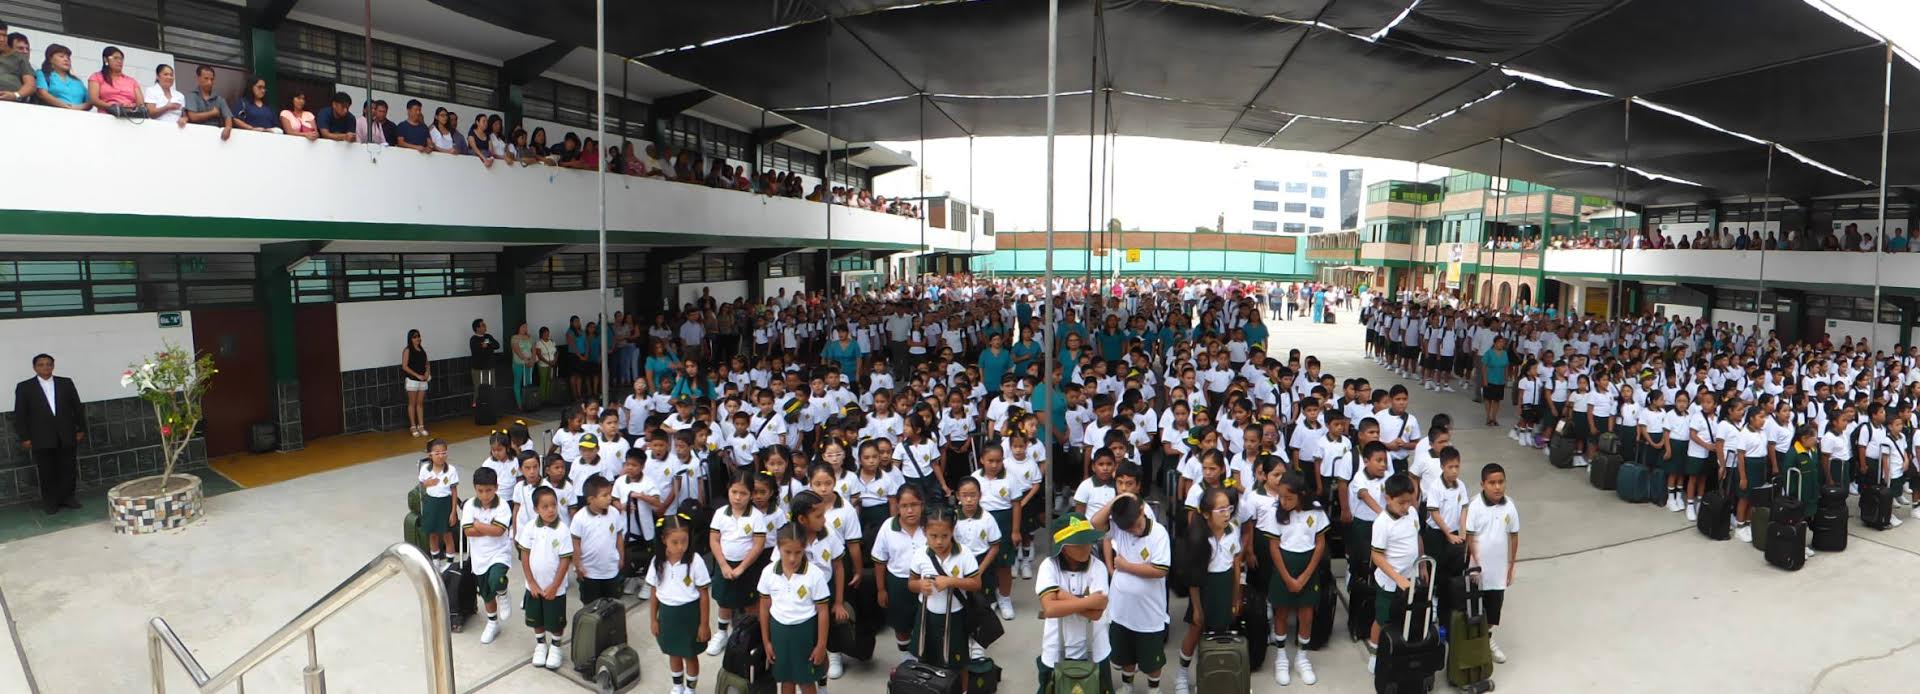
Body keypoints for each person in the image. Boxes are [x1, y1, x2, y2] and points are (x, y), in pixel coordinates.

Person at [1089, 494, 1169, 694]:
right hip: (1121, 609)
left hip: (1149, 613)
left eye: (1135, 525)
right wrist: (1119, 499)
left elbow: (1160, 570)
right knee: (1125, 655)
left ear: (1142, 510)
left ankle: (1154, 690)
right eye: (1128, 528)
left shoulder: (1159, 533)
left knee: (1151, 660)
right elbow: (1095, 522)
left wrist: (1126, 566)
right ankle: (1127, 686)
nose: (1133, 530)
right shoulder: (1119, 526)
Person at [1036, 513, 1113, 692]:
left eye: (1088, 541)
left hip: (1096, 649)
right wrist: (1088, 601)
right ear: (1063, 547)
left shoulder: (1098, 567)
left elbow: (1096, 613)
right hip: (1055, 650)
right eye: (1080, 543)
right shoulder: (1048, 566)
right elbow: (1049, 609)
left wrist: (1061, 596)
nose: (1087, 547)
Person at [758, 523, 831, 694]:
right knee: (786, 681)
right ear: (778, 548)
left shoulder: (815, 574)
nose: (792, 558)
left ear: (804, 548)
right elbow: (763, 608)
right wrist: (766, 641)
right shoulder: (768, 573)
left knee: (806, 682)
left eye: (798, 552)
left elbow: (823, 611)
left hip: (804, 632)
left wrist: (821, 644)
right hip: (779, 632)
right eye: (787, 552)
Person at [12, 354, 84, 515]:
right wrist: (24, 437)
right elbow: (20, 414)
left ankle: (68, 498)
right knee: (47, 471)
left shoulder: (65, 383)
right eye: (41, 365)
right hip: (41, 436)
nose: (45, 367)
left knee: (68, 468)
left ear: (53, 366)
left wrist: (80, 429)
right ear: (35, 368)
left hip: (66, 434)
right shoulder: (25, 387)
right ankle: (51, 502)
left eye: (48, 364)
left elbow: (77, 407)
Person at [649, 514, 712, 694]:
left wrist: (704, 624)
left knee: (690, 654)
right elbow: (654, 593)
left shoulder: (695, 561)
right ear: (663, 540)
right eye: (675, 542)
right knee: (673, 653)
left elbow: (704, 594)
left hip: (689, 616)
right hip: (668, 616)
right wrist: (653, 619)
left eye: (684, 541)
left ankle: (691, 689)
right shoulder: (657, 562)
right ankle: (678, 686)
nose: (680, 547)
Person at [1463, 463, 1517, 664]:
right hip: (1478, 571)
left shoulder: (1509, 505)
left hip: (1498, 571)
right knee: (1475, 610)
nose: (1497, 487)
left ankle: (1486, 639)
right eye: (1492, 483)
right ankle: (1475, 646)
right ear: (1482, 484)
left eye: (1501, 482)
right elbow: (1470, 537)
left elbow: (1514, 535)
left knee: (1493, 612)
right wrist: (1475, 564)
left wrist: (1511, 566)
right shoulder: (1475, 505)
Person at [519, 486, 574, 671]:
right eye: (545, 506)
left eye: (553, 505)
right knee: (537, 618)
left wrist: (555, 586)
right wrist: (531, 583)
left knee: (555, 621)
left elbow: (565, 560)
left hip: (554, 588)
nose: (551, 510)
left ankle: (556, 646)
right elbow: (525, 556)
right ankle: (541, 644)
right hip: (534, 587)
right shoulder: (529, 528)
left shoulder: (563, 530)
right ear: (536, 509)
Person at [461, 466, 514, 645]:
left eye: (489, 490)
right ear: (475, 489)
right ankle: (493, 623)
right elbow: (467, 531)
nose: (485, 495)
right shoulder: (469, 505)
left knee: (497, 579)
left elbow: (499, 531)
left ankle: (504, 594)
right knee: (486, 594)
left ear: (496, 487)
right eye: (480, 491)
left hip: (499, 553)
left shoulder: (503, 506)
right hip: (479, 556)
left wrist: (478, 525)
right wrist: (488, 528)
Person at [570, 476, 625, 603]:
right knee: (591, 608)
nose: (609, 498)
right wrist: (578, 565)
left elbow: (619, 537)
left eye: (610, 494)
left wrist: (621, 557)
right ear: (591, 499)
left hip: (610, 570)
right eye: (604, 495)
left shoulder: (614, 513)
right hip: (589, 573)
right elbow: (575, 544)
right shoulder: (580, 518)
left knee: (611, 607)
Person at [417, 438, 461, 570]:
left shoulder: (451, 470)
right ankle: (435, 560)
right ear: (430, 455)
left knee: (447, 534)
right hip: (431, 503)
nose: (441, 456)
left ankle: (449, 562)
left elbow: (453, 491)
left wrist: (453, 511)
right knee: (433, 534)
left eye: (444, 452)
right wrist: (426, 484)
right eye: (437, 453)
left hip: (445, 503)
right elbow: (422, 485)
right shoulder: (425, 469)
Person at [179, 65, 233, 140]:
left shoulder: (219, 99)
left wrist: (228, 127)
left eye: (212, 79)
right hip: (195, 136)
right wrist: (212, 113)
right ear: (198, 78)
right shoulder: (191, 96)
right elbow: (193, 117)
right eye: (206, 78)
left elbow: (228, 116)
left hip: (216, 137)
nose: (209, 82)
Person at [86, 46, 141, 114]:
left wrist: (130, 108)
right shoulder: (96, 77)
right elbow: (93, 100)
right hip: (106, 117)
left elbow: (140, 104)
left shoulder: (132, 81)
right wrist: (114, 107)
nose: (119, 61)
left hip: (131, 118)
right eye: (115, 58)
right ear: (106, 60)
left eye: (121, 59)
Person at [32, 44, 83, 110]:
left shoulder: (78, 81)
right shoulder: (43, 74)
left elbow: (90, 101)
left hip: (79, 116)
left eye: (68, 58)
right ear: (50, 59)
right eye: (61, 56)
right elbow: (42, 94)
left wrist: (77, 108)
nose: (66, 59)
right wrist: (67, 107)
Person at [401, 328, 431, 437]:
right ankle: (413, 426)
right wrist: (416, 375)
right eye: (414, 337)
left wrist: (427, 372)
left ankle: (421, 425)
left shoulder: (422, 350)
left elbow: (427, 363)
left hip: (422, 380)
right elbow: (404, 366)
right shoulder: (407, 350)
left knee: (420, 404)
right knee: (412, 403)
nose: (417, 338)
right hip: (412, 380)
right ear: (410, 339)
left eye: (418, 336)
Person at [0, 21, 34, 105]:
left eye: (4, 35)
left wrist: (15, 95)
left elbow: (30, 85)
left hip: (13, 105)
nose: (2, 39)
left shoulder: (19, 58)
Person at [470, 318, 498, 408]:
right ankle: (476, 406)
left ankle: (491, 406)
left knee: (492, 386)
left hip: (490, 367)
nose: (485, 326)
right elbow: (476, 350)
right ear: (477, 328)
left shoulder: (488, 337)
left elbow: (497, 345)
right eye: (483, 325)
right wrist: (483, 346)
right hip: (478, 369)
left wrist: (487, 344)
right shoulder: (473, 339)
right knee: (478, 388)